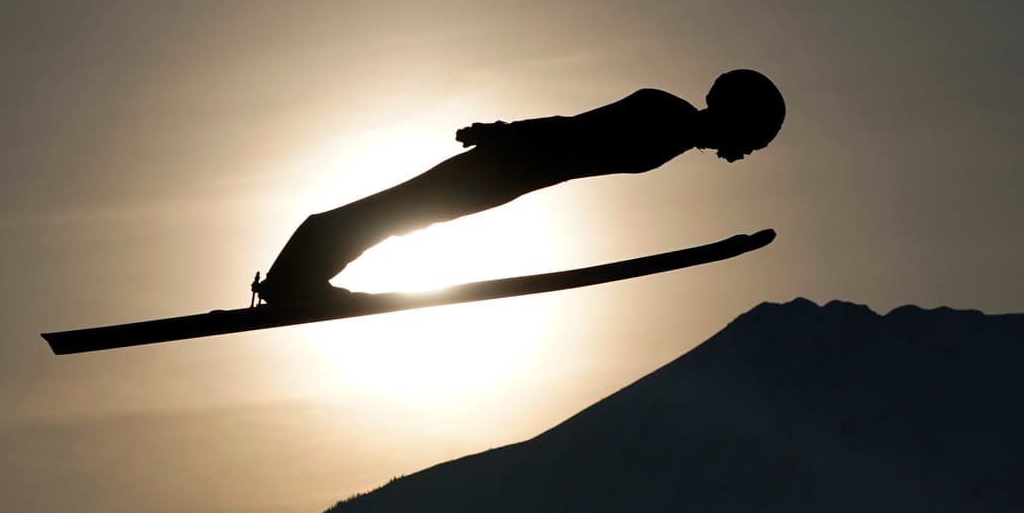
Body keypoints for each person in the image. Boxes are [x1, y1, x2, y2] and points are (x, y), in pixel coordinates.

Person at [254, 69, 785, 305]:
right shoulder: (665, 117)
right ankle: (290, 282)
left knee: (403, 213)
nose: (748, 153)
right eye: (755, 139)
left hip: (522, 171)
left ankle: (294, 279)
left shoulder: (673, 130)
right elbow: (574, 130)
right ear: (737, 118)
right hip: (517, 162)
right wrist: (503, 135)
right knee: (399, 211)